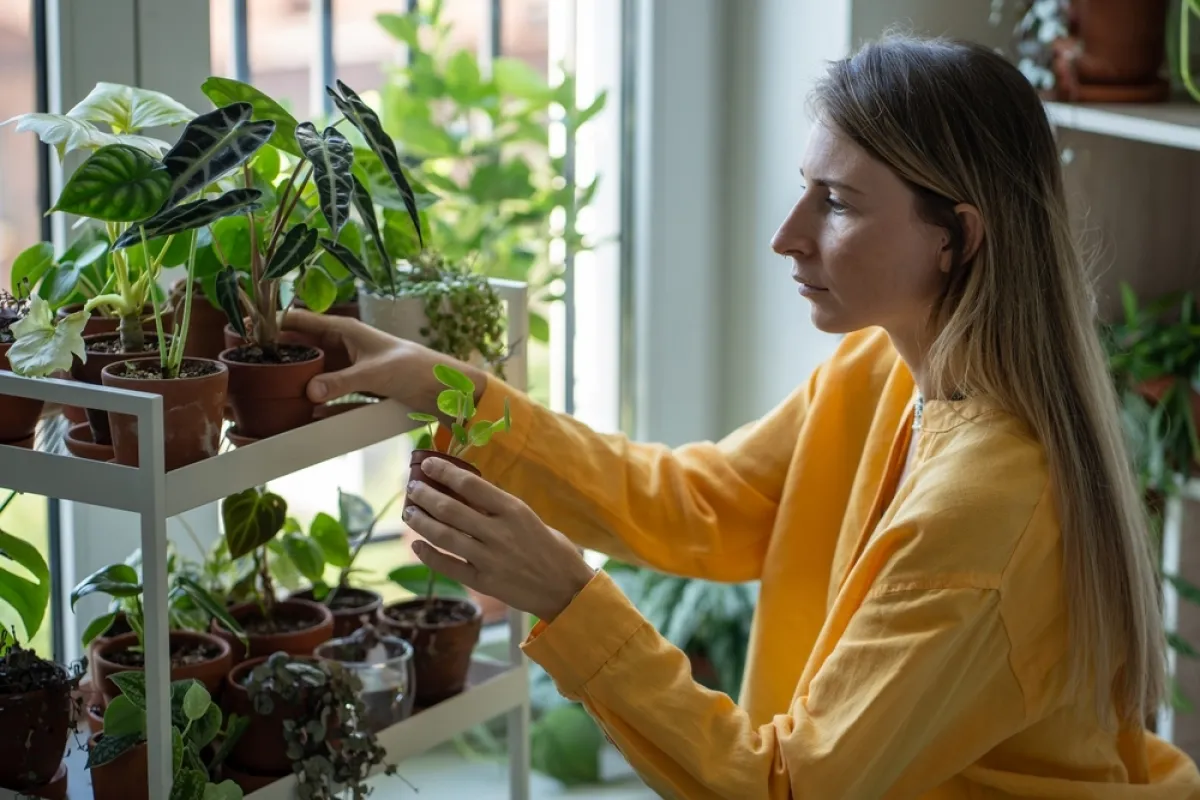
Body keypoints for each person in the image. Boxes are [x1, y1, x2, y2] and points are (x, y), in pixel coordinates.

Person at [283, 35, 1200, 799]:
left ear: (955, 237)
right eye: (807, 188)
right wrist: (456, 391)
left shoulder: (989, 509)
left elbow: (788, 788)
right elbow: (702, 502)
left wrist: (566, 595)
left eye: (835, 203)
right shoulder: (881, 368)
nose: (787, 234)